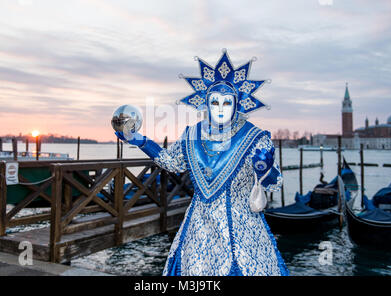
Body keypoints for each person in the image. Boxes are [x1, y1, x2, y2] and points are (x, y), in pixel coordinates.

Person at [116, 50, 289, 276]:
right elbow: (172, 162)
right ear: (205, 104)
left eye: (227, 103)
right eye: (214, 102)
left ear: (238, 105)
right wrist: (139, 140)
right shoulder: (193, 134)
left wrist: (264, 169)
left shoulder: (255, 138)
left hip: (242, 230)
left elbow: (273, 183)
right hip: (199, 228)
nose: (219, 108)